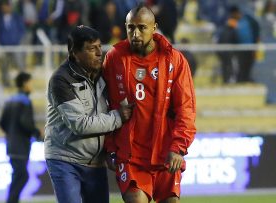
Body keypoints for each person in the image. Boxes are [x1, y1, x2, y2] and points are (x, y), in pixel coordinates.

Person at [103, 4, 196, 203]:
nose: (135, 33)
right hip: (130, 155)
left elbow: (185, 108)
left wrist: (178, 148)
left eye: (142, 28)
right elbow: (106, 104)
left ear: (154, 28)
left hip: (165, 153)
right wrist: (110, 147)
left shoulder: (175, 60)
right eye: (130, 28)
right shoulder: (114, 58)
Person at [44, 25, 132, 203]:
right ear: (74, 52)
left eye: (100, 46)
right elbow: (80, 124)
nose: (99, 53)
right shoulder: (61, 80)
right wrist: (117, 117)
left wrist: (111, 149)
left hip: (96, 162)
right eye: (92, 48)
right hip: (65, 158)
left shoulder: (104, 73)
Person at [0, 72, 41, 203]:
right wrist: (36, 132)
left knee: (18, 175)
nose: (31, 85)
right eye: (30, 82)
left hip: (11, 144)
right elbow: (25, 122)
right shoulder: (25, 101)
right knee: (22, 175)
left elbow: (2, 122)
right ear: (24, 83)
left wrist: (11, 134)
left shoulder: (10, 100)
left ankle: (12, 200)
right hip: (21, 145)